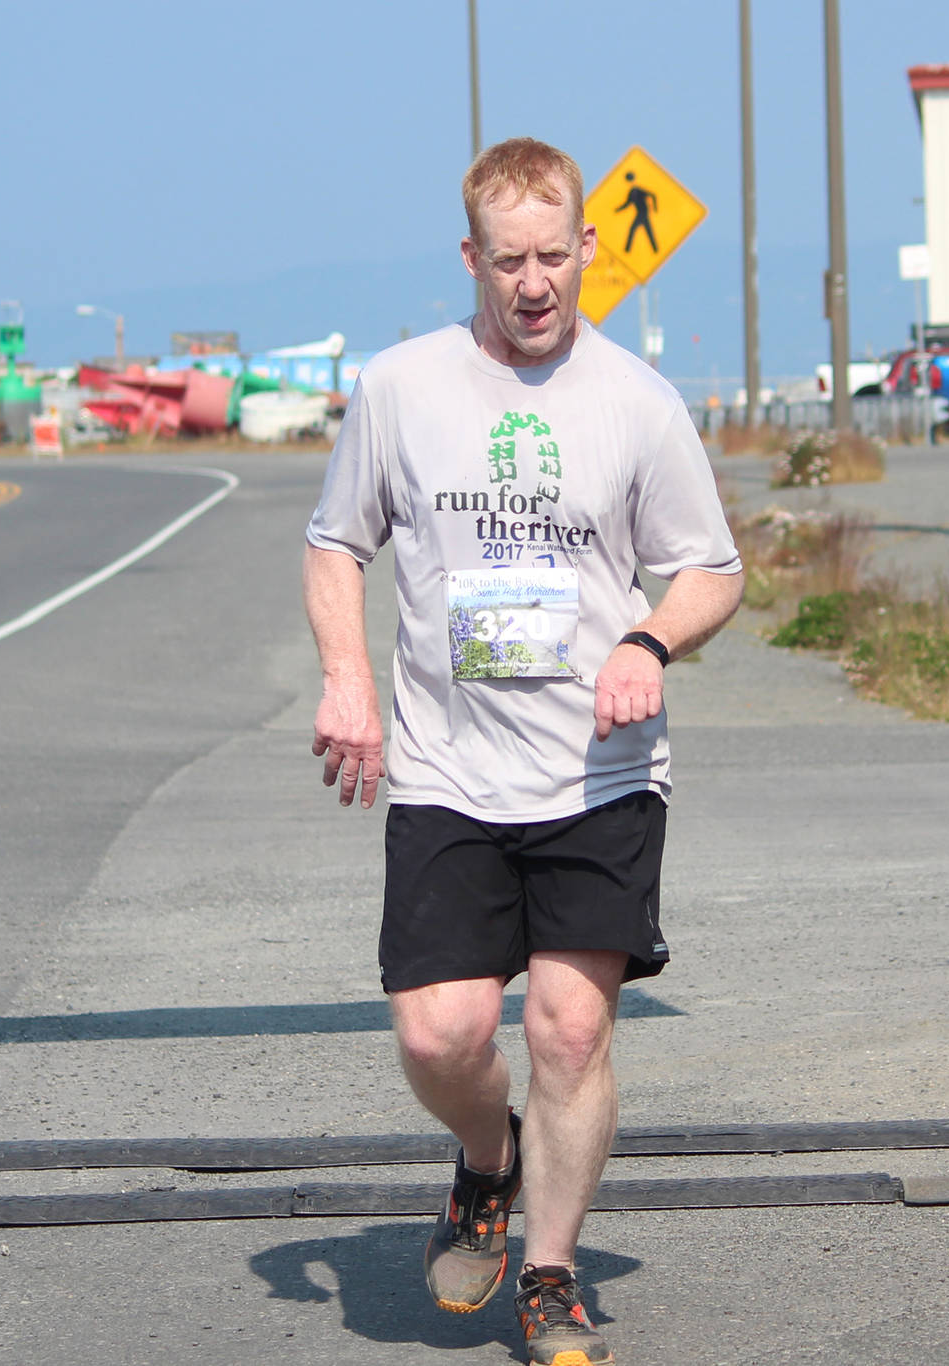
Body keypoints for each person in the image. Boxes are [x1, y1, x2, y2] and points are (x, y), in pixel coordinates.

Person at [303, 136, 742, 1366]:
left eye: (555, 253)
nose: (535, 280)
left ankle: (547, 1272)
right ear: (471, 260)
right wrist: (347, 680)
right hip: (445, 767)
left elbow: (712, 567)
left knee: (565, 1027)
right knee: (439, 1032)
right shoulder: (401, 387)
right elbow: (335, 543)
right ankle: (486, 1158)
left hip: (598, 770)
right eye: (510, 260)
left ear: (587, 247)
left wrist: (649, 642)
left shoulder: (637, 403)